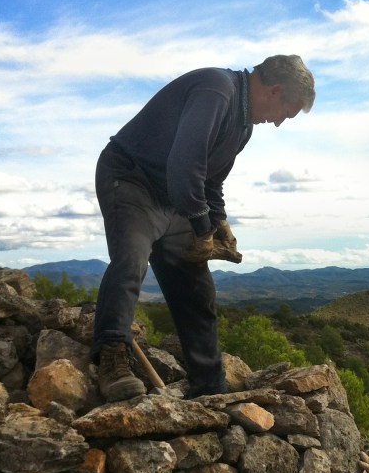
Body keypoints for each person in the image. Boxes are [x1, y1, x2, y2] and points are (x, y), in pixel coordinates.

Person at [91, 55, 315, 402]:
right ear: (274, 91)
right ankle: (111, 359)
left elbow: (210, 182)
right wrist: (202, 225)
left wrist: (218, 221)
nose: (279, 123)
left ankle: (210, 389)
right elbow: (185, 166)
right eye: (286, 113)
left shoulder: (243, 126)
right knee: (131, 260)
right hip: (131, 178)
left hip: (174, 197)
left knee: (197, 289)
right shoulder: (217, 91)